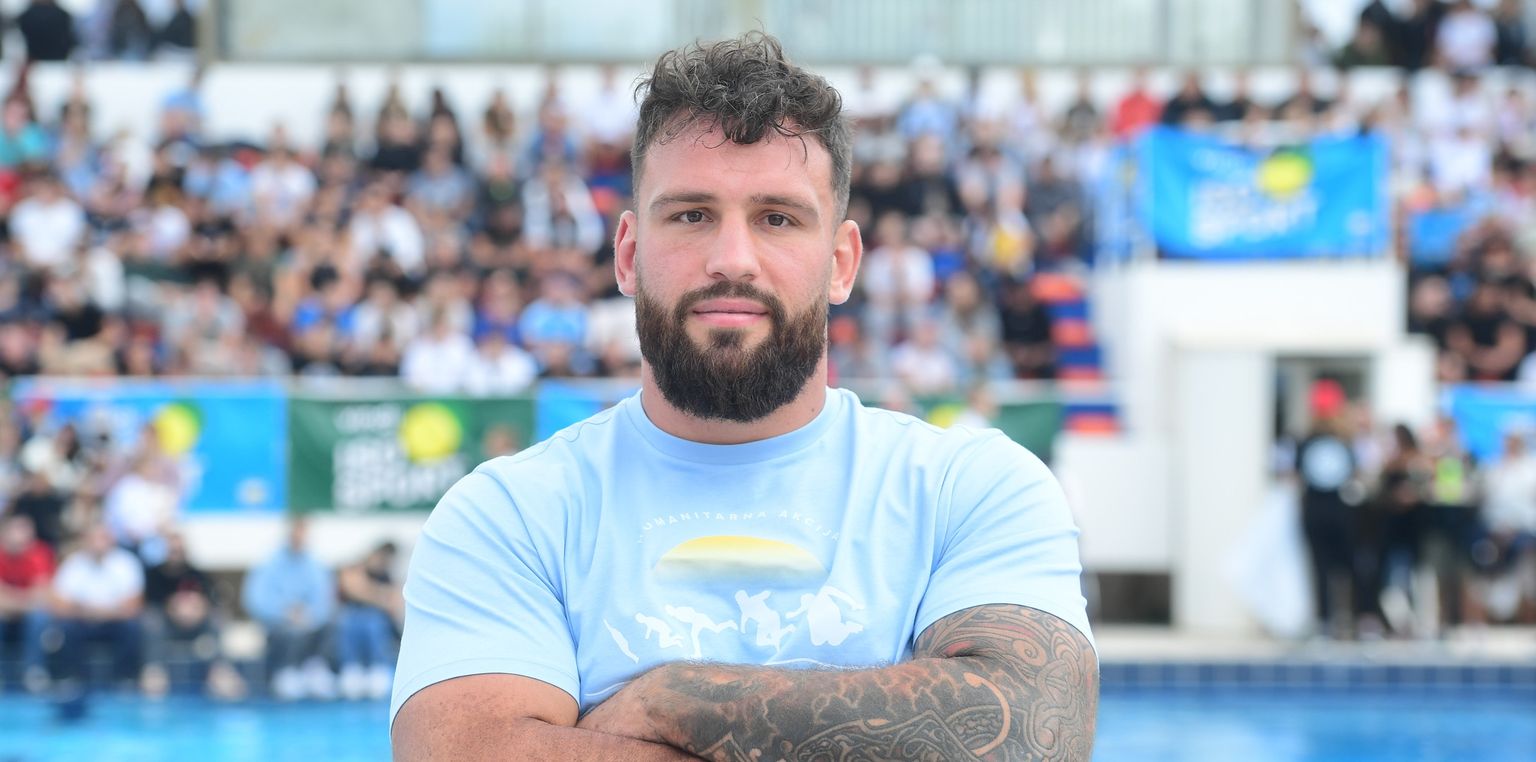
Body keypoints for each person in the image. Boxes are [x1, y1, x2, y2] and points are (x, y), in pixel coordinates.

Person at [391, 33, 1097, 760]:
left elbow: (1032, 735)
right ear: (628, 255)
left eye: (777, 219)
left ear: (841, 263)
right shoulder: (510, 516)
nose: (732, 260)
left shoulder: (970, 491)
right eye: (691, 215)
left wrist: (672, 700)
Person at [140, 531, 246, 700]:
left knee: (218, 619)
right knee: (151, 621)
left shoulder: (197, 574)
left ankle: (220, 670)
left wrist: (197, 609)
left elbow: (211, 600)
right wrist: (174, 608)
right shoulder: (154, 575)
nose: (176, 555)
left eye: (180, 551)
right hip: (167, 623)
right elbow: (149, 603)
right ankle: (154, 671)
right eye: (173, 551)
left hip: (196, 621)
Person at [242, 518, 336, 701]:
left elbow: (325, 600)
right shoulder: (268, 563)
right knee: (287, 632)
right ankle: (286, 671)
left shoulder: (315, 565)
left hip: (310, 623)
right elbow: (255, 600)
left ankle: (314, 669)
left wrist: (308, 614)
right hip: (279, 625)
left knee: (332, 624)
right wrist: (284, 612)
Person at [49, 523, 145, 689]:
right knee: (65, 627)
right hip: (82, 620)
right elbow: (59, 603)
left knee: (132, 627)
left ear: (112, 540)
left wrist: (101, 612)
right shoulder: (73, 564)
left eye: (103, 538)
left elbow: (134, 605)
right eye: (94, 538)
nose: (98, 543)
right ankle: (73, 679)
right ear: (85, 540)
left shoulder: (127, 563)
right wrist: (88, 612)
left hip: (114, 621)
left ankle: (124, 679)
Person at [335, 541, 402, 701]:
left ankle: (378, 667)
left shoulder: (387, 577)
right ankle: (352, 668)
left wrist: (368, 592)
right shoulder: (357, 569)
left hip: (378, 621)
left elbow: (393, 603)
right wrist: (379, 595)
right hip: (353, 617)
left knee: (372, 624)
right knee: (349, 622)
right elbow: (352, 588)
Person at [0, 514, 54, 691]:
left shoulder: (40, 553)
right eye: (17, 531)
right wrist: (24, 600)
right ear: (5, 534)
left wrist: (10, 600)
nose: (22, 538)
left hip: (27, 613)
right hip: (7, 613)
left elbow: (42, 593)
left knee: (40, 618)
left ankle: (34, 671)